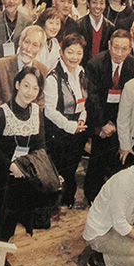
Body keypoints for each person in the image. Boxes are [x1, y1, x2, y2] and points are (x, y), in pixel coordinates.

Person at [0, 67, 47, 266]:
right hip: (3, 174)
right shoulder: (1, 113)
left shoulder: (37, 112)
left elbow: (40, 145)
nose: (29, 92)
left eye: (35, 88)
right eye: (26, 85)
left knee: (13, 217)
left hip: (24, 173)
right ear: (17, 85)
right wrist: (12, 166)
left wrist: (25, 167)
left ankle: (0, 248)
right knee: (1, 215)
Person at [83, 29, 134, 203]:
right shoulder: (95, 64)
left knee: (118, 160)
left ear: (130, 49)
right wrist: (103, 123)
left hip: (121, 118)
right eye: (115, 47)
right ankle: (92, 195)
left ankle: (114, 197)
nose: (119, 53)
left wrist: (118, 125)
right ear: (109, 45)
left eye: (124, 49)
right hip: (100, 116)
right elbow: (93, 97)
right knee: (98, 158)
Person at [43, 33, 89, 208]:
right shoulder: (53, 78)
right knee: (59, 169)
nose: (74, 57)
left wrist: (82, 119)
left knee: (72, 167)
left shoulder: (82, 72)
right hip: (59, 130)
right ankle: (54, 203)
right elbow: (49, 111)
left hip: (78, 127)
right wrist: (70, 126)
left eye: (79, 53)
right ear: (61, 52)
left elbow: (85, 101)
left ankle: (68, 199)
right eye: (70, 52)